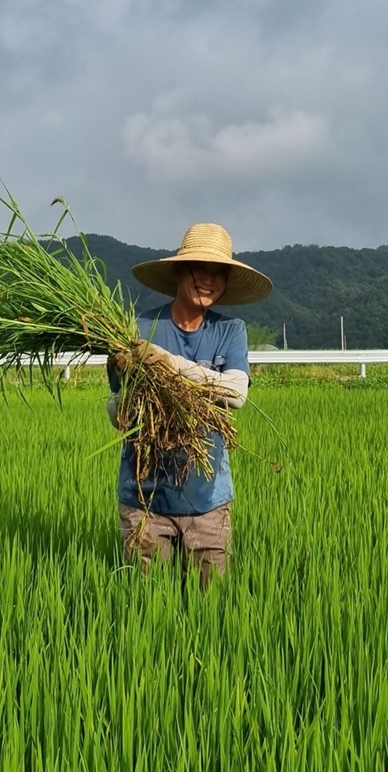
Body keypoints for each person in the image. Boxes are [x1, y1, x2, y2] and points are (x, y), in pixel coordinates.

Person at [107, 222, 272, 585]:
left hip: (208, 502)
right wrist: (125, 383)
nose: (208, 280)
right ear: (179, 270)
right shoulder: (138, 329)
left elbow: (235, 394)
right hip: (144, 501)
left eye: (218, 273)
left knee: (209, 612)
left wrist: (166, 364)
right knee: (146, 613)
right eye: (200, 269)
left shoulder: (230, 331)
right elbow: (117, 413)